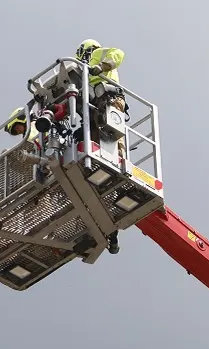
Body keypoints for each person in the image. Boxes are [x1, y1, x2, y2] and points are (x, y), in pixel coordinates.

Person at [76, 39, 125, 254]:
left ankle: (119, 164)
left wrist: (102, 66)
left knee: (113, 146)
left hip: (109, 101)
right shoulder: (81, 71)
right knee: (91, 144)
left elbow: (118, 53)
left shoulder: (98, 54)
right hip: (94, 108)